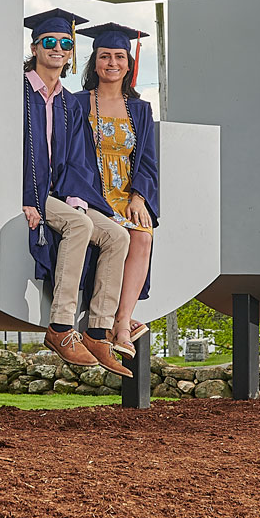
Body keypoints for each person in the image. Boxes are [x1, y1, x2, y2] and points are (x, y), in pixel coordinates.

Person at [22, 9, 130, 377]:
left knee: (116, 235)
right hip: (29, 192)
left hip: (58, 193)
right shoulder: (18, 91)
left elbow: (77, 159)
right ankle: (61, 327)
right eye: (49, 42)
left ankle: (99, 331)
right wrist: (27, 198)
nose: (57, 48)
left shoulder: (69, 103)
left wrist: (78, 198)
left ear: (70, 54)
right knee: (79, 227)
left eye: (65, 44)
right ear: (35, 47)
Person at [78, 20, 158, 358]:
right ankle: (115, 324)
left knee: (142, 233)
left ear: (130, 63)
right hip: (90, 191)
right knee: (118, 235)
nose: (112, 63)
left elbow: (149, 161)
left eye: (119, 57)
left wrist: (139, 196)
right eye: (105, 56)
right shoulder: (78, 103)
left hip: (126, 193)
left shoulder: (140, 110)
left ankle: (122, 324)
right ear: (94, 62)